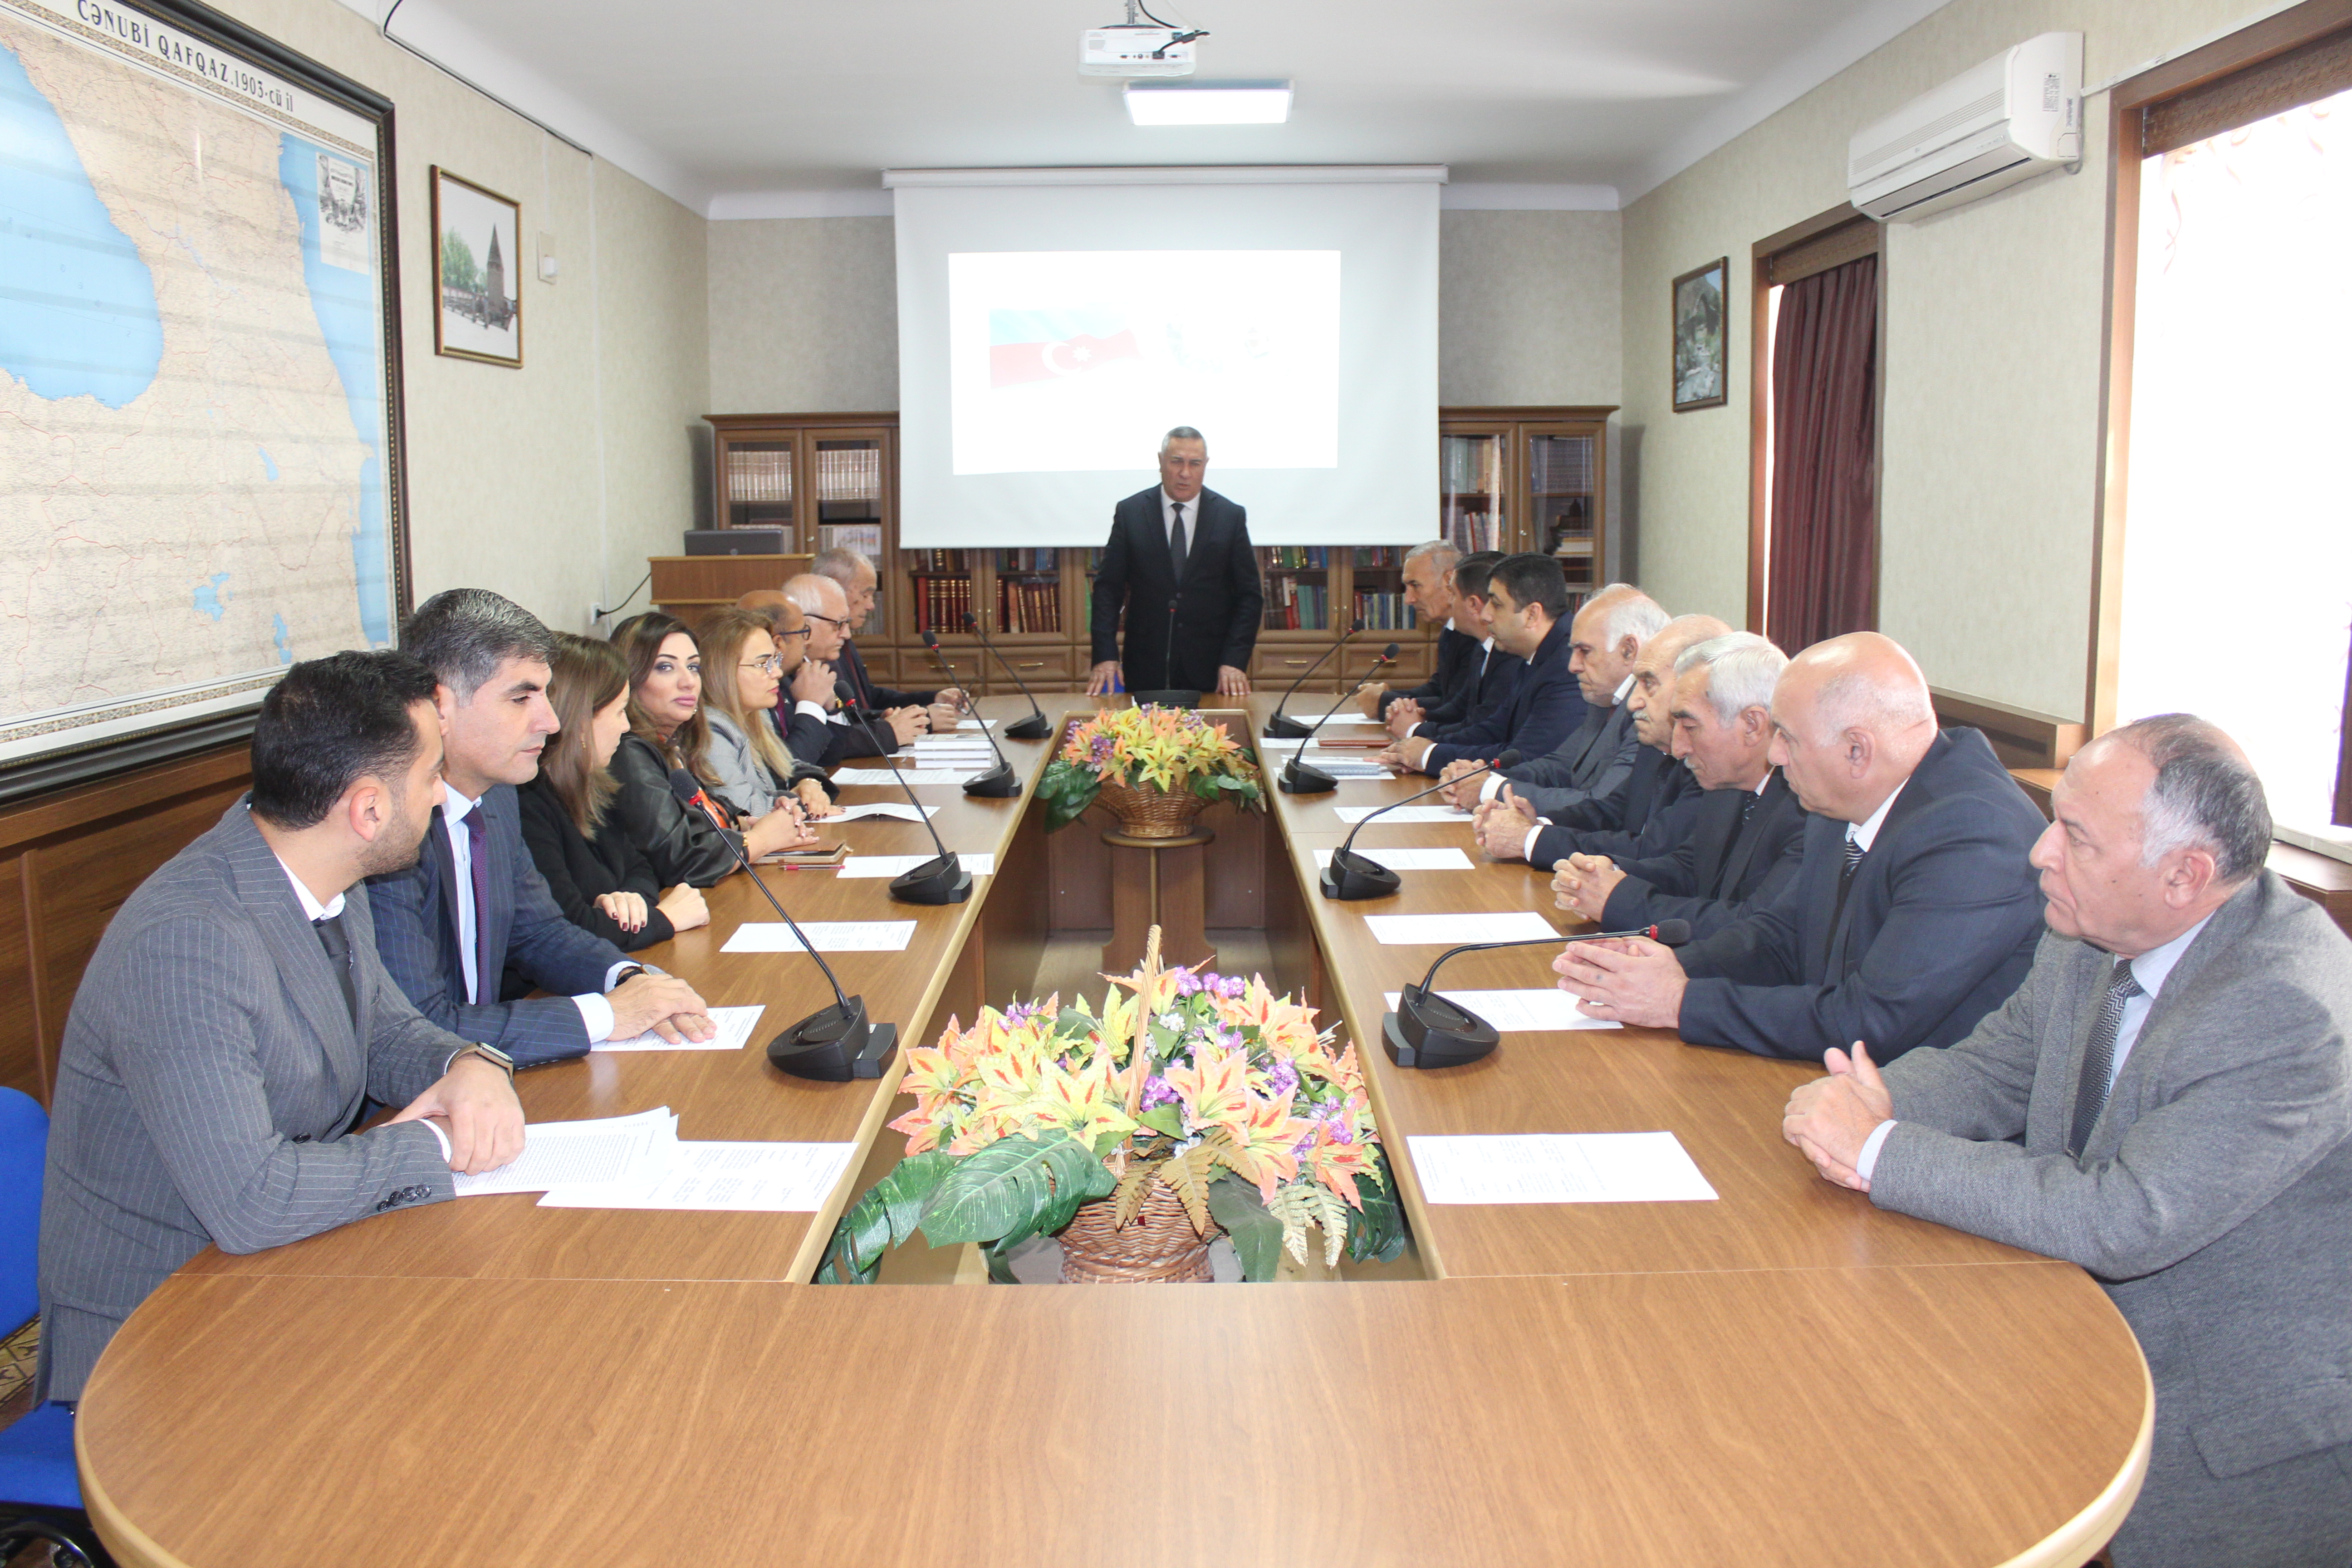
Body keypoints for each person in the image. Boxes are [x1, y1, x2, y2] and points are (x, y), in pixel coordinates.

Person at [1782, 716, 2352, 1568]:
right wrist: (1875, 1097)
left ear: (2182, 875)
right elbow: (1998, 1067)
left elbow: (2122, 1218)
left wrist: (1876, 1150)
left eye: (2073, 838)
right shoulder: (2088, 932)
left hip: (2219, 1432)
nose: (2037, 852)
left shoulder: (2282, 1008)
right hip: (2059, 1346)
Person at [36, 651, 526, 1403]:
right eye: (432, 774)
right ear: (367, 810)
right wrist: (431, 1143)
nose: (443, 793)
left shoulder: (326, 869)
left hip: (284, 1275)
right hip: (158, 1341)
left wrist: (470, 1066)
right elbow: (252, 1197)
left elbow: (385, 1034)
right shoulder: (188, 939)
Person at [1555, 632, 2047, 1063]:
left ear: (1857, 750)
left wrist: (1681, 1002)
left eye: (1787, 738)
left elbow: (1871, 1021)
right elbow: (1781, 936)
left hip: (1923, 1121)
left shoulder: (1973, 834)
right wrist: (1669, 968)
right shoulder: (1845, 794)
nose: (1774, 755)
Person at [369, 590, 717, 1065]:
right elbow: (425, 1023)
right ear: (440, 706)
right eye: (522, 697)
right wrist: (607, 1016)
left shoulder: (496, 797)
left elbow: (541, 934)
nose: (551, 722)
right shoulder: (389, 829)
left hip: (494, 1068)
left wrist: (629, 979)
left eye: (547, 695)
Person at [1551, 632, 1806, 942]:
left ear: (1752, 726)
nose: (1679, 746)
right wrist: (1610, 872)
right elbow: (1688, 869)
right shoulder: (1725, 783)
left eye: (1689, 727)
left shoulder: (1806, 806)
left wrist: (1618, 900)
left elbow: (1752, 926)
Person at [1471, 612, 1728, 864]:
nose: (1633, 702)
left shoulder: (1716, 764)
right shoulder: (1656, 746)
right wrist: (1538, 825)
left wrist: (1532, 839)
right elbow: (1611, 811)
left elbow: (1654, 850)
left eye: (1648, 683)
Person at [514, 633, 710, 958]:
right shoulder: (526, 805)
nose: (626, 726)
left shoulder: (592, 786)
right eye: (620, 712)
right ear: (579, 722)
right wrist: (662, 920)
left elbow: (641, 870)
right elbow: (569, 928)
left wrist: (628, 900)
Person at [607, 612, 818, 886]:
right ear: (630, 677)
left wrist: (748, 823)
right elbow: (679, 860)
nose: (688, 682)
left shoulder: (675, 743)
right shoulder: (629, 753)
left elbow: (708, 819)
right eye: (665, 668)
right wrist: (760, 840)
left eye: (693, 667)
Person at [1449, 583, 1662, 822]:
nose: (1573, 666)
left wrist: (1491, 789)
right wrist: (1485, 777)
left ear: (1629, 650)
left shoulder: (1651, 712)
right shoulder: (1606, 698)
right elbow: (1559, 766)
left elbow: (1602, 805)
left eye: (1585, 651)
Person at [1086, 426, 1264, 698]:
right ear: (1161, 462)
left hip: (1213, 670)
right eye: (1176, 462)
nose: (1185, 473)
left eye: (1195, 464)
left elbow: (1249, 597)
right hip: (1145, 665)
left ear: (1206, 465)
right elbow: (1108, 589)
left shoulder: (1230, 516)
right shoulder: (1131, 513)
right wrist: (1105, 654)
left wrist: (1234, 661)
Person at [1376, 553, 1583, 776]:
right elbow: (1494, 730)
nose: (1486, 615)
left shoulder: (1568, 665)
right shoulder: (1535, 653)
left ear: (1532, 614)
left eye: (1496, 604)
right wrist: (1422, 749)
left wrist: (1428, 755)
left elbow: (1526, 756)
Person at [696, 607, 839, 820]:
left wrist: (808, 784)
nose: (778, 673)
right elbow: (742, 808)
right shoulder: (712, 731)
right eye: (763, 664)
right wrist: (803, 803)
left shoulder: (756, 715)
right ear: (721, 671)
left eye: (775, 661)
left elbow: (785, 765)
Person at [811, 546, 965, 732]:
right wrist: (923, 718)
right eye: (866, 595)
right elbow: (841, 724)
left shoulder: (844, 640)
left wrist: (933, 699)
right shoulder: (819, 649)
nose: (871, 606)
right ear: (834, 587)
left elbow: (867, 700)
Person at [787, 572, 921, 759]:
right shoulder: (781, 675)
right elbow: (806, 748)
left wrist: (881, 722)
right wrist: (887, 733)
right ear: (805, 623)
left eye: (847, 623)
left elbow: (838, 725)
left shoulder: (822, 663)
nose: (847, 634)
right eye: (839, 625)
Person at [1386, 551, 1510, 742]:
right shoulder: (1482, 648)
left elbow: (1485, 730)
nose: (1450, 602)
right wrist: (1416, 714)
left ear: (1473, 605)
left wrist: (1415, 731)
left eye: (1452, 594)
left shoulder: (1510, 655)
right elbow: (1458, 707)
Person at [1352, 540, 1469, 721]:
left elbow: (1459, 707)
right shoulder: (1451, 630)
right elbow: (1438, 689)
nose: (1408, 599)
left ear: (1449, 581)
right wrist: (1390, 696)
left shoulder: (1474, 635)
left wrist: (1385, 702)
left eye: (1415, 585)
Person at [736, 588, 840, 771]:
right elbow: (784, 770)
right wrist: (812, 705)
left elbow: (827, 751)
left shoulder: (789, 679)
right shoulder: (749, 693)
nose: (807, 642)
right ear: (778, 644)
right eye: (803, 633)